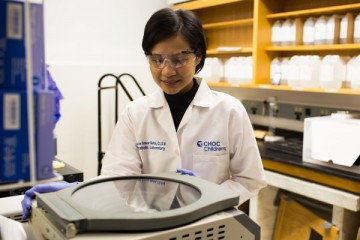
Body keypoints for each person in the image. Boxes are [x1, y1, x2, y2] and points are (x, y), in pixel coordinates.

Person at [22, 7, 267, 219]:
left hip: (212, 222)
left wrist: (208, 197)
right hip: (151, 225)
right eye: (157, 59)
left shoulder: (229, 110)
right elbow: (117, 179)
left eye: (179, 59)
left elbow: (250, 179)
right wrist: (71, 192)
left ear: (198, 57)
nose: (167, 71)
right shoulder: (136, 112)